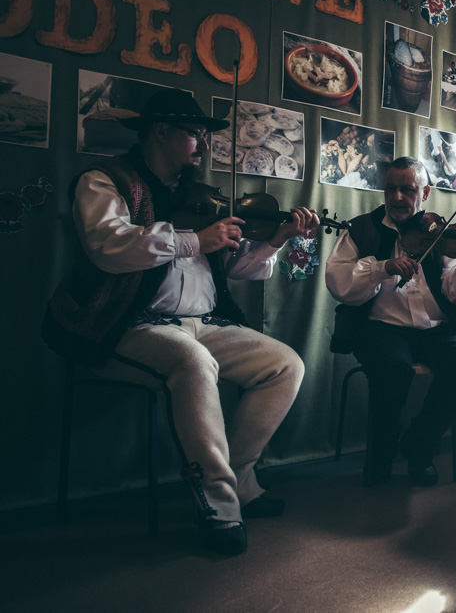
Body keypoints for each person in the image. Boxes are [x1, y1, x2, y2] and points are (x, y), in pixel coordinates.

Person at [43, 88, 319, 556]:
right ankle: (218, 505)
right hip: (128, 323)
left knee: (285, 364)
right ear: (160, 132)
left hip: (205, 321)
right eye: (194, 134)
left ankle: (241, 477)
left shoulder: (199, 195)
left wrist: (276, 240)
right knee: (193, 361)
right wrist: (194, 240)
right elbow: (108, 246)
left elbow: (237, 268)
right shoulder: (104, 180)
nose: (203, 145)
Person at [325, 157, 456, 486]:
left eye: (408, 189)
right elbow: (339, 283)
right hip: (380, 327)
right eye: (391, 189)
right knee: (393, 368)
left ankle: (420, 445)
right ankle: (381, 456)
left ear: (425, 193)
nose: (398, 197)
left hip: (435, 328)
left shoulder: (440, 233)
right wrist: (383, 268)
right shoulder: (360, 229)